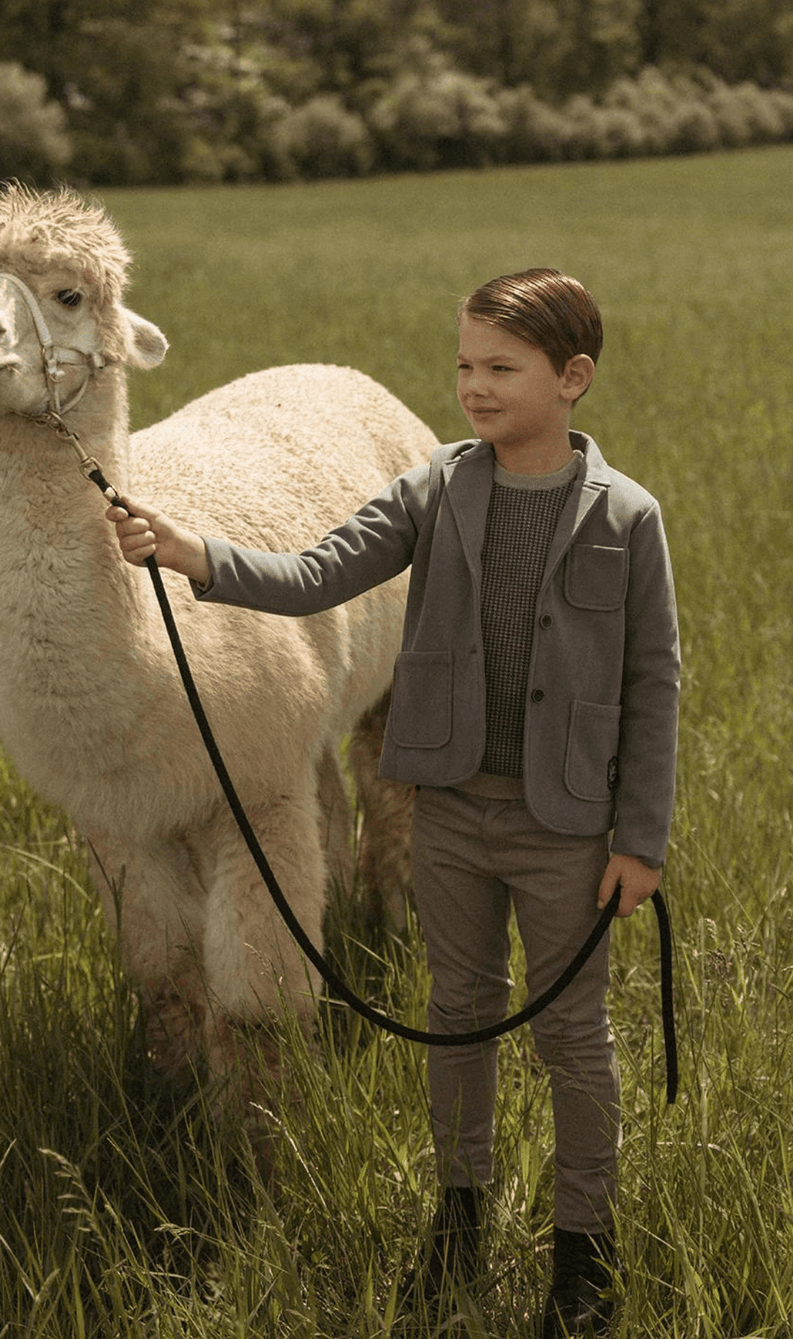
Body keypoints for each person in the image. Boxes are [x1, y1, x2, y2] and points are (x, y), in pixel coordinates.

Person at [105, 268, 680, 1336]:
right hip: (451, 815)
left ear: (573, 379)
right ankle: (455, 1226)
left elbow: (655, 686)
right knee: (456, 1023)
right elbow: (318, 573)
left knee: (572, 1039)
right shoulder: (433, 490)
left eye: (499, 369)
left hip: (568, 827)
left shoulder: (626, 519)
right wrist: (196, 556)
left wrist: (638, 839)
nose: (472, 386)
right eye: (464, 365)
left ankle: (581, 1254)